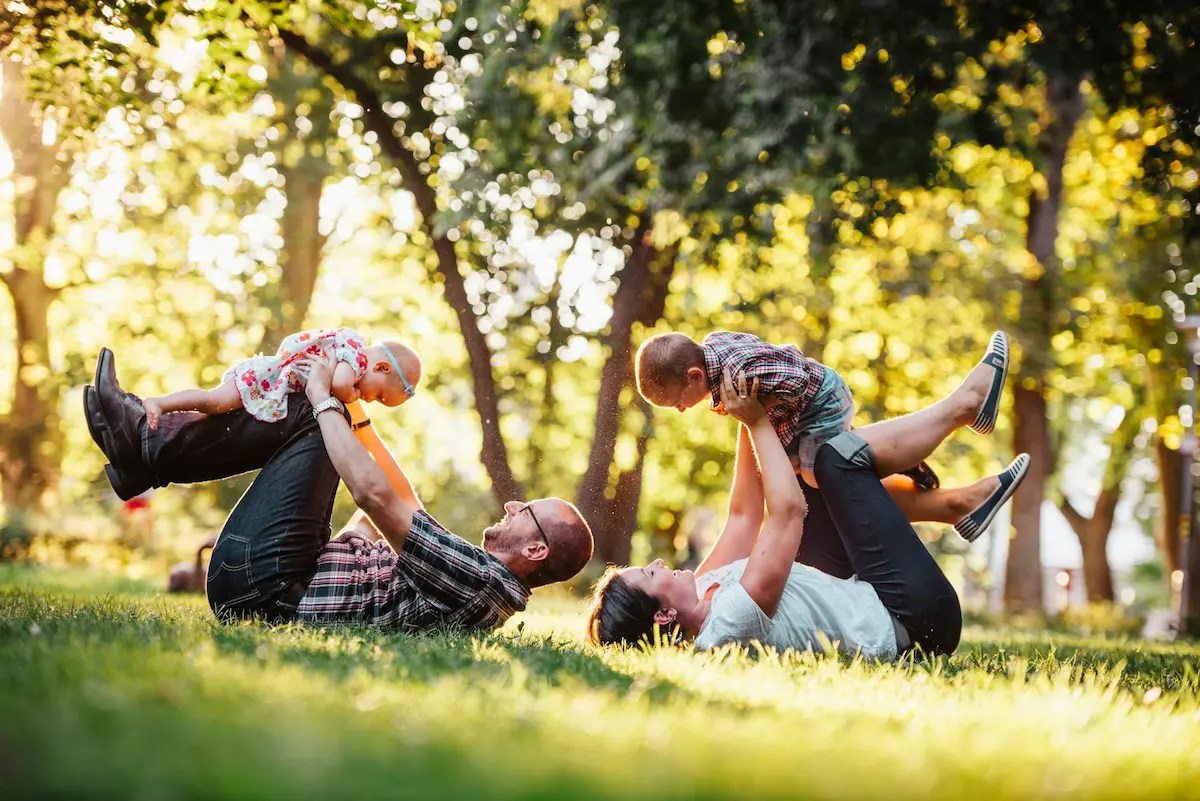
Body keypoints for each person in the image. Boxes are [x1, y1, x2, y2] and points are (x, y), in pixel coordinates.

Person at [83, 347, 594, 631]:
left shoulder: (480, 582)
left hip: (265, 589)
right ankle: (141, 452)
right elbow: (401, 498)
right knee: (326, 416)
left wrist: (327, 400)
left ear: (535, 548)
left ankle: (144, 445)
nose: (511, 503)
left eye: (525, 509)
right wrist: (359, 418)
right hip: (269, 577)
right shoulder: (476, 576)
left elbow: (374, 497)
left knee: (313, 411)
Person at [586, 368, 1029, 658]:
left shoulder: (703, 589)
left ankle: (954, 506)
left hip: (867, 590)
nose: (658, 563)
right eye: (649, 574)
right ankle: (963, 407)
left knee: (805, 462)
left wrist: (749, 408)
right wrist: (760, 423)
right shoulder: (726, 626)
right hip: (915, 620)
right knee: (835, 461)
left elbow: (744, 515)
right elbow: (787, 515)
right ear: (663, 616)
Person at [635, 330, 1011, 542]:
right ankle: (947, 501)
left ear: (694, 377)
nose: (683, 409)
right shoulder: (715, 351)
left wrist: (768, 418)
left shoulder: (738, 379)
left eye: (678, 402)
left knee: (821, 472)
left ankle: (915, 443)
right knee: (818, 479)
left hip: (820, 400)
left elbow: (796, 379)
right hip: (806, 409)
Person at [141, 327, 422, 431]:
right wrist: (352, 396)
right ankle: (160, 404)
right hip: (266, 378)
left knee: (214, 416)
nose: (371, 400)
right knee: (212, 401)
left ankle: (167, 420)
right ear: (382, 367)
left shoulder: (351, 351)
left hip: (271, 379)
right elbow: (338, 385)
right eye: (380, 396)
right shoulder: (356, 357)